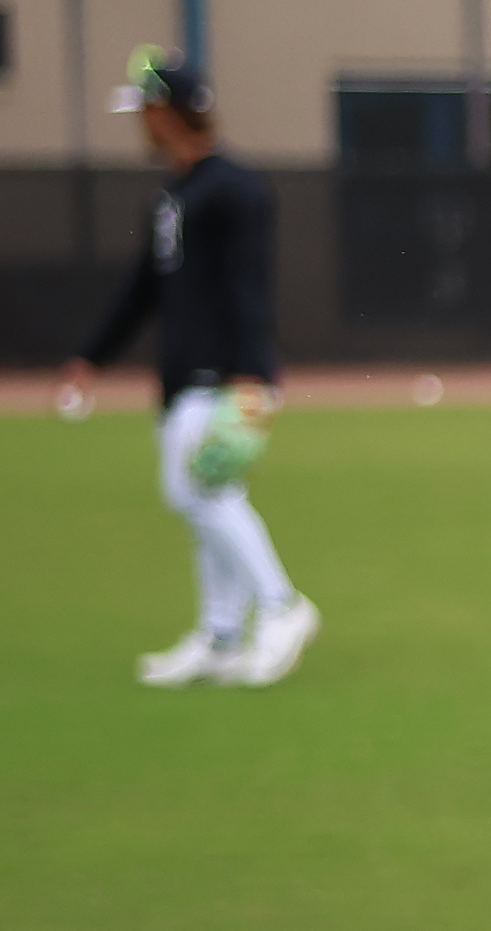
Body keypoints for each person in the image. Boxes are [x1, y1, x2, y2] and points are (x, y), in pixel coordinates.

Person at [66, 44, 317, 690]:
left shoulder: (234, 190)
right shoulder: (174, 195)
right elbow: (145, 288)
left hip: (227, 376)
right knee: (211, 500)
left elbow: (250, 287)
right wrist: (92, 357)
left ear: (167, 111)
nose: (139, 122)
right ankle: (221, 639)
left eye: (144, 108)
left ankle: (283, 606)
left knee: (197, 492)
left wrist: (251, 373)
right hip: (182, 380)